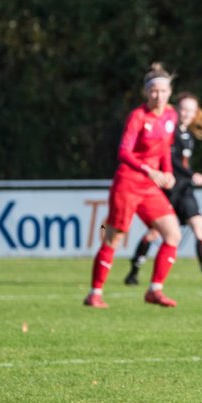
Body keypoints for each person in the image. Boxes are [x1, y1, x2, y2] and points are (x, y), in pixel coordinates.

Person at [83, 63, 184, 309]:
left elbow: (164, 150)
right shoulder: (138, 116)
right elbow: (124, 151)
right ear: (146, 93)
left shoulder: (171, 116)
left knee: (173, 234)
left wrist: (168, 172)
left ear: (169, 93)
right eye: (153, 91)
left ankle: (154, 290)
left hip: (150, 187)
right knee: (113, 237)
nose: (158, 96)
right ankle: (95, 293)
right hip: (127, 184)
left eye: (163, 91)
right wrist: (149, 170)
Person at [123, 91, 202, 287]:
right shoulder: (168, 131)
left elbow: (182, 164)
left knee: (200, 227)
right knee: (156, 233)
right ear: (176, 109)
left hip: (185, 190)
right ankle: (133, 271)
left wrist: (190, 175)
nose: (187, 113)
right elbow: (169, 161)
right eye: (183, 109)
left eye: (191, 110)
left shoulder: (187, 134)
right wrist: (190, 175)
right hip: (169, 189)